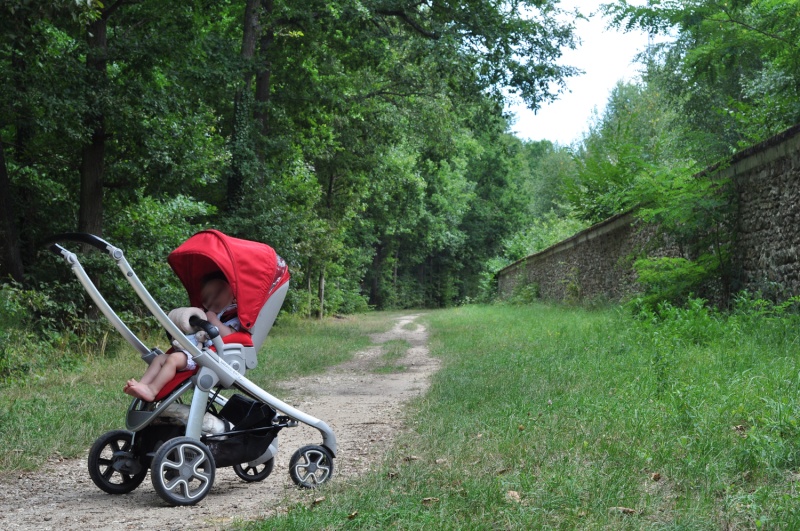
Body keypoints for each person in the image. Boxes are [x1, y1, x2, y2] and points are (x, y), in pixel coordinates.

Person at [123, 272, 243, 402]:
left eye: (218, 294)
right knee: (159, 359)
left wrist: (214, 320)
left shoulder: (234, 317)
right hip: (193, 350)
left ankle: (152, 390)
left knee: (173, 359)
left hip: (206, 357)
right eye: (207, 296)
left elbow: (230, 336)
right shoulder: (214, 312)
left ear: (233, 296)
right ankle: (143, 385)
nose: (212, 299)